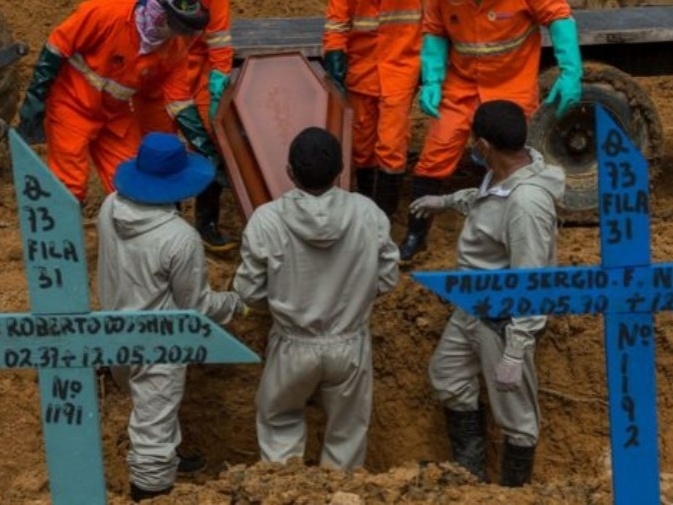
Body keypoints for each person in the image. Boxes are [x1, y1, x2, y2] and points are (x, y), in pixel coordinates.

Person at [410, 101, 565, 486]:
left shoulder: (527, 205)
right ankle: (470, 476)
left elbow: (533, 281)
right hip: (473, 306)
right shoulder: (504, 170)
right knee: (447, 376)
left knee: (518, 418)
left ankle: (513, 493)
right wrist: (444, 202)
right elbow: (486, 202)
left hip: (503, 318)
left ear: (482, 145)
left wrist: (515, 349)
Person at [233, 127, 400, 470]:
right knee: (347, 433)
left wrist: (280, 302)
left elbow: (249, 291)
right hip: (350, 342)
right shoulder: (368, 213)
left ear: (290, 172)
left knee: (279, 424)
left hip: (292, 343)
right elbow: (387, 277)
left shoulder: (267, 219)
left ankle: (283, 493)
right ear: (341, 171)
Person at [97, 132, 246, 502]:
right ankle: (150, 491)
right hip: (157, 345)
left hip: (113, 331)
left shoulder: (109, 206)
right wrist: (235, 303)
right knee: (152, 436)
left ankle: (171, 455)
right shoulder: (178, 237)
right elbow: (194, 308)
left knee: (152, 410)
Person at [399, 0, 582, 261]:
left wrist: (570, 70)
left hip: (512, 81)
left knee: (515, 159)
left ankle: (521, 224)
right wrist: (432, 79)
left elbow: (559, 16)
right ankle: (416, 235)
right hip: (461, 85)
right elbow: (435, 30)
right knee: (434, 157)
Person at [16, 0, 220, 207]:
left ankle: (130, 234)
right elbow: (57, 47)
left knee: (135, 180)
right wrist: (35, 99)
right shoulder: (105, 12)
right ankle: (62, 235)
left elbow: (180, 102)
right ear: (159, 12)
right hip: (71, 103)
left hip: (114, 113)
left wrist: (205, 148)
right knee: (69, 185)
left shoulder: (174, 49)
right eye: (177, 27)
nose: (178, 35)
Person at [133, 0, 236, 252]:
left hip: (198, 67)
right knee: (161, 144)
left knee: (212, 137)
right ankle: (168, 222)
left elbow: (220, 39)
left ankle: (206, 222)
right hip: (157, 66)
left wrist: (219, 79)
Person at [322, 0, 422, 217]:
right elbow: (337, 21)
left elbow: (433, 20)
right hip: (361, 68)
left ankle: (383, 220)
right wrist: (334, 51)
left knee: (391, 145)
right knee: (361, 145)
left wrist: (430, 64)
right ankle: (367, 210)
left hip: (400, 67)